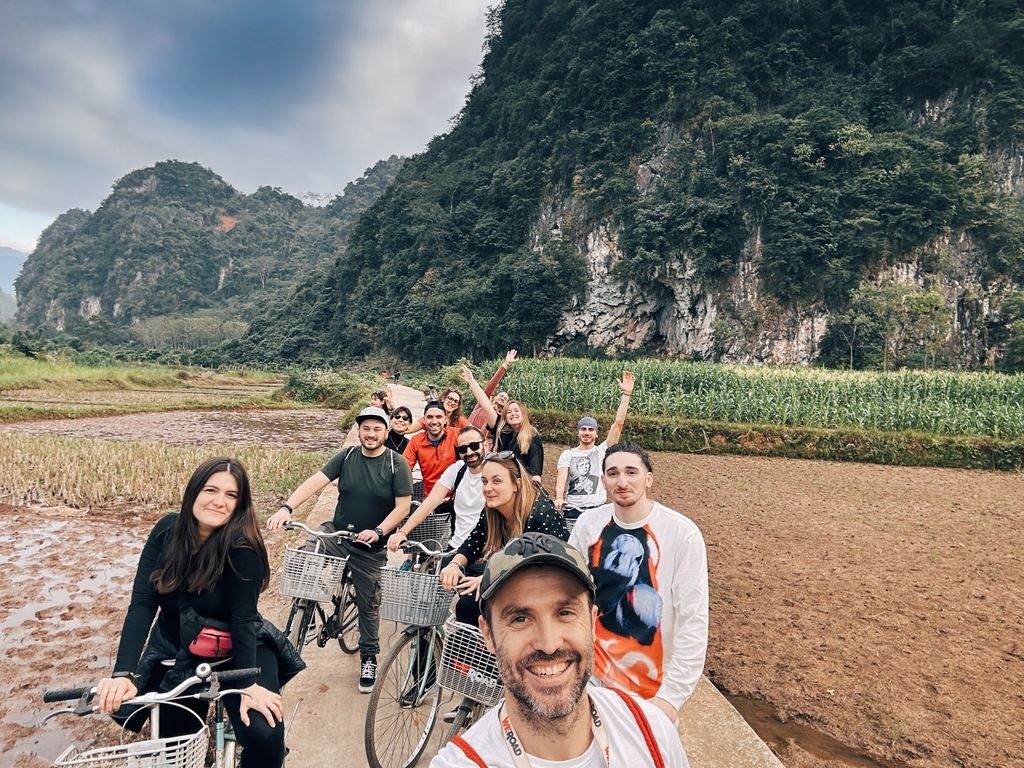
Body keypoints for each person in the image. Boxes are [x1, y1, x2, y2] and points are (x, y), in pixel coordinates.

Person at [94, 458, 295, 768]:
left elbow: (242, 619)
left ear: (240, 504)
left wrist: (246, 686)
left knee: (264, 734)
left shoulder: (243, 549)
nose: (219, 501)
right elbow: (142, 605)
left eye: (231, 495)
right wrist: (123, 673)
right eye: (211, 490)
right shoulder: (166, 531)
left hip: (238, 649)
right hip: (178, 650)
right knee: (175, 747)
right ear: (193, 492)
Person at [430, 532, 689, 767]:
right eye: (520, 618)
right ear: (488, 634)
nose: (549, 643)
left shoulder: (653, 734)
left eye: (565, 613)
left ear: (591, 622)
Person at [267, 407, 413, 693]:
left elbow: (403, 507)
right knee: (310, 548)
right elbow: (316, 481)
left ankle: (369, 657)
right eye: (366, 429)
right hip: (339, 532)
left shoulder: (397, 464)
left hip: (370, 545)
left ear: (386, 432)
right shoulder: (346, 457)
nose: (371, 434)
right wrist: (287, 508)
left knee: (368, 601)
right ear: (358, 431)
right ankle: (306, 607)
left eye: (376, 429)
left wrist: (380, 531)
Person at [568, 442, 708, 724]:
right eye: (613, 473)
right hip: (594, 684)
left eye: (631, 472)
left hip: (651, 694)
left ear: (649, 478)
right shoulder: (588, 525)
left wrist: (671, 698)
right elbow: (569, 594)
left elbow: (693, 619)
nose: (622, 481)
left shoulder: (681, 533)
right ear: (604, 479)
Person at [439, 451, 568, 630]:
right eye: (484, 481)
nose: (488, 488)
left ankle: (488, 655)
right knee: (466, 602)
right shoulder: (493, 510)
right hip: (513, 582)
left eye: (497, 481)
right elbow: (474, 541)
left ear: (517, 484)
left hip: (546, 589)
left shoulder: (541, 513)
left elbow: (541, 565)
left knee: (470, 606)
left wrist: (488, 579)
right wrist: (454, 564)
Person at [389, 425, 488, 555]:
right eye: (463, 449)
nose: (469, 452)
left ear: (485, 445)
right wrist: (403, 532)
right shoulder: (457, 470)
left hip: (485, 549)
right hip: (457, 547)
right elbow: (430, 503)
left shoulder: (495, 471)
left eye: (474, 446)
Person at [555, 371, 635, 513]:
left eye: (591, 429)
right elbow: (561, 477)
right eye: (583, 429)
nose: (586, 432)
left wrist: (626, 395)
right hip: (572, 509)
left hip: (597, 509)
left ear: (596, 434)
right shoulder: (568, 454)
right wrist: (559, 497)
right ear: (578, 432)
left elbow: (618, 424)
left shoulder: (601, 451)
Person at [462, 368, 544, 484]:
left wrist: (536, 489)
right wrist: (471, 381)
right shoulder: (502, 430)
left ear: (523, 414)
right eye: (509, 412)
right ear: (505, 416)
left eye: (516, 411)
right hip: (499, 480)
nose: (513, 414)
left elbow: (536, 472)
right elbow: (485, 404)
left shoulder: (533, 438)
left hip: (521, 484)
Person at [403, 400, 460, 497]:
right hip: (430, 499)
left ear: (445, 419)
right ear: (424, 420)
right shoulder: (416, 441)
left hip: (456, 497)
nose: (434, 422)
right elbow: (404, 469)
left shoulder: (457, 435)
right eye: (430, 417)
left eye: (439, 417)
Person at [467, 348, 518, 430]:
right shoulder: (481, 405)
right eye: (501, 395)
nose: (502, 398)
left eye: (505, 399)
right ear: (495, 397)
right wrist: (505, 364)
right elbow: (491, 385)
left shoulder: (500, 418)